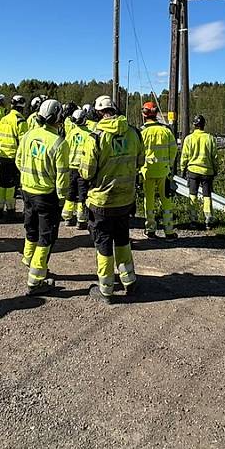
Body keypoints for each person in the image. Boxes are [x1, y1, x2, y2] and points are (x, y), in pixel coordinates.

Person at [78, 95, 144, 303]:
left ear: (98, 113)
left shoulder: (95, 137)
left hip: (102, 201)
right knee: (123, 239)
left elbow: (87, 172)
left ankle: (106, 289)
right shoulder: (134, 133)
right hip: (125, 199)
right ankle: (129, 280)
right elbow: (140, 161)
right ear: (114, 110)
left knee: (103, 243)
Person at [15, 99, 70, 295]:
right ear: (58, 117)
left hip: (27, 191)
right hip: (46, 195)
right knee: (46, 236)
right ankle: (36, 279)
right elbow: (63, 175)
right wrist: (62, 198)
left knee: (31, 227)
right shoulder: (59, 143)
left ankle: (28, 259)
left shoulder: (29, 134)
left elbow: (19, 160)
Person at [140, 101, 178, 239]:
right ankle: (169, 231)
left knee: (149, 200)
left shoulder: (142, 132)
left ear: (144, 115)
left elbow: (138, 153)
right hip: (163, 171)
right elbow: (174, 149)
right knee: (166, 200)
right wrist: (168, 164)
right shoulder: (166, 131)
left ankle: (150, 230)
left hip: (147, 172)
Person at [179, 114, 218, 227]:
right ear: (204, 125)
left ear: (194, 125)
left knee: (193, 195)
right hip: (207, 171)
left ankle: (193, 219)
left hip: (193, 171)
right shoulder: (210, 138)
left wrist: (183, 169)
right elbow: (214, 157)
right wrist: (215, 169)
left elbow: (184, 156)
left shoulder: (189, 138)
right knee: (207, 195)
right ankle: (208, 219)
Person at [0, 95, 28, 221]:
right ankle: (11, 210)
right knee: (11, 186)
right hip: (14, 157)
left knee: (2, 184)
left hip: (3, 156)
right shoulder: (20, 121)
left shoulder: (4, 119)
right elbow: (24, 142)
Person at [64, 107, 92, 230]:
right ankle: (81, 220)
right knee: (82, 194)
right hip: (82, 169)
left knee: (70, 193)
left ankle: (67, 217)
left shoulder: (71, 133)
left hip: (70, 167)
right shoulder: (89, 134)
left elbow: (65, 148)